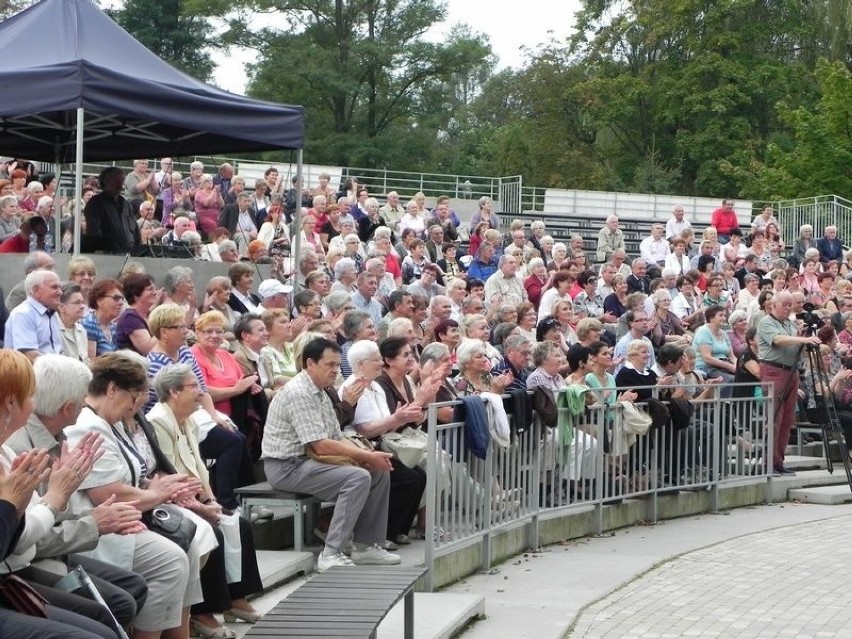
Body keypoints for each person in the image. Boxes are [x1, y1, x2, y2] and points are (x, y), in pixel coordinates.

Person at [64, 353, 202, 639]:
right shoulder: (87, 425)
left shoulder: (107, 421)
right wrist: (157, 494)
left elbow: (133, 477)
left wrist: (162, 488)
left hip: (126, 516)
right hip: (97, 526)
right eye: (133, 397)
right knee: (171, 560)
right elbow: (106, 492)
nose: (134, 406)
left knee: (193, 540)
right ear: (112, 389)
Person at [262, 337, 402, 572]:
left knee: (378, 472)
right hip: (287, 466)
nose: (336, 370)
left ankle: (366, 546)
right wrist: (365, 456)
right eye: (330, 365)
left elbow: (335, 435)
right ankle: (331, 553)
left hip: (310, 461)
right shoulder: (298, 392)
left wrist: (367, 455)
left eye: (338, 365)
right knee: (357, 477)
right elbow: (320, 445)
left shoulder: (321, 390)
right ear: (310, 363)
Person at [147, 364, 263, 631]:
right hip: (173, 499)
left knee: (238, 523)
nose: (200, 393)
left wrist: (211, 501)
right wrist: (200, 507)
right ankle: (202, 612)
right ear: (174, 392)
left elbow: (198, 465)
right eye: (193, 387)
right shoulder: (158, 421)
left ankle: (236, 599)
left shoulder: (187, 418)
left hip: (195, 495)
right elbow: (170, 472)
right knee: (211, 531)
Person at [342, 340, 429, 546]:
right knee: (406, 478)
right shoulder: (354, 386)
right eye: (376, 360)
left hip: (381, 443)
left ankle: (399, 529)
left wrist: (400, 418)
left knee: (418, 475)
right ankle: (383, 534)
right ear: (361, 364)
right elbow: (365, 429)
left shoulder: (375, 386)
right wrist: (397, 419)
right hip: (360, 448)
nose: (381, 363)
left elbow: (386, 424)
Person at [756, 291, 822, 476]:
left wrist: (805, 338)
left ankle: (778, 461)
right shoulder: (766, 322)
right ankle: (769, 462)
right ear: (774, 305)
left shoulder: (790, 324)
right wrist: (801, 338)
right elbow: (778, 340)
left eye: (789, 305)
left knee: (787, 420)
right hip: (774, 370)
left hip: (791, 371)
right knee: (775, 418)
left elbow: (796, 347)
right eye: (784, 304)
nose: (787, 308)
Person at [5, 269, 64, 359]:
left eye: (60, 288)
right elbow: (29, 356)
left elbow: (59, 351)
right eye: (54, 287)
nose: (60, 292)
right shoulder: (23, 314)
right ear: (36, 290)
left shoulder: (52, 314)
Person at [82, 167, 140, 254]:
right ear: (106, 181)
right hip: (107, 256)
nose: (120, 183)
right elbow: (94, 233)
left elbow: (135, 231)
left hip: (129, 255)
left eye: (122, 179)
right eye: (117, 179)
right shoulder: (96, 203)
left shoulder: (126, 204)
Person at [81, 279, 123, 356]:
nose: (121, 303)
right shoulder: (89, 325)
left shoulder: (113, 327)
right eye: (116, 298)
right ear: (99, 301)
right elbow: (91, 362)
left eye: (122, 299)